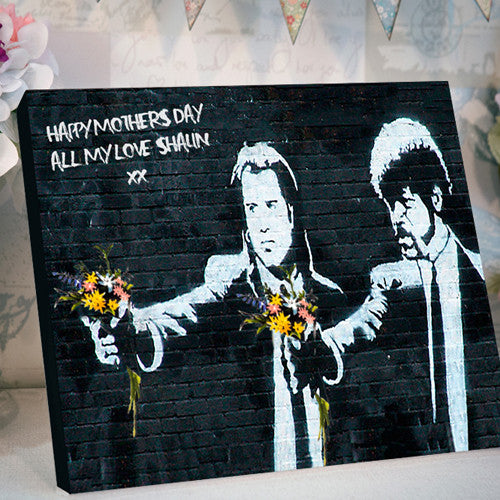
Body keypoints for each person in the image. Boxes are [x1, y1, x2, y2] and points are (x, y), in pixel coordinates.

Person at [125, 142, 386, 471]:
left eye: (271, 205)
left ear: (290, 213)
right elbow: (188, 312)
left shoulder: (328, 296)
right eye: (252, 208)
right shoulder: (234, 289)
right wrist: (137, 329)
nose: (262, 223)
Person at [363, 117, 495, 453]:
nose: (395, 218)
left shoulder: (482, 275)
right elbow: (365, 321)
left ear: (435, 198)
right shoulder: (391, 284)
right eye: (389, 205)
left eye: (405, 203)